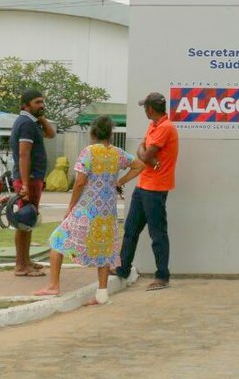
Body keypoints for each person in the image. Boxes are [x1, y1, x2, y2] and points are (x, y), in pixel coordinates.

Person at [35, 116, 145, 303]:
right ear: (110, 134)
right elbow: (139, 165)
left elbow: (80, 182)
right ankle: (102, 293)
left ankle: (53, 285)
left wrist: (71, 207)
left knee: (57, 240)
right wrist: (120, 181)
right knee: (104, 251)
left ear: (93, 133)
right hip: (107, 213)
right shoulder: (117, 154)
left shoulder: (88, 152)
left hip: (86, 209)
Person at [114, 92, 179, 291]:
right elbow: (143, 152)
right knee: (131, 230)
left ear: (150, 108)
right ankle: (123, 268)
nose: (144, 110)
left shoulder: (165, 128)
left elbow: (145, 153)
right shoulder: (154, 126)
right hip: (144, 186)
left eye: (145, 107)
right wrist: (149, 158)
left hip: (156, 189)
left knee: (157, 233)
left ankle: (162, 276)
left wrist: (147, 156)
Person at [11, 89, 55, 277]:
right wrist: (25, 184)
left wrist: (42, 117)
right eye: (37, 102)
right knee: (24, 221)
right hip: (28, 179)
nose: (42, 105)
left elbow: (51, 134)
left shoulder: (31, 122)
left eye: (42, 102)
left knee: (28, 220)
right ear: (25, 105)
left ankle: (26, 261)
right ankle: (21, 266)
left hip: (31, 178)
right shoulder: (26, 124)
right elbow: (23, 154)